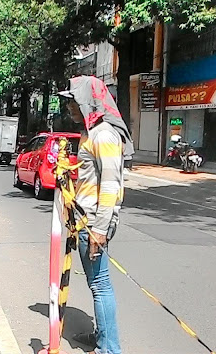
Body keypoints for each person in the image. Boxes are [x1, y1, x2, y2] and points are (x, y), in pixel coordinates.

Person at [58, 76, 134, 354]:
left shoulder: (104, 135)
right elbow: (91, 178)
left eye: (72, 102)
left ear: (87, 102)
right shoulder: (91, 133)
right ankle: (103, 338)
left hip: (93, 223)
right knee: (96, 283)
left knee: (100, 285)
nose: (69, 108)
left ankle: (109, 348)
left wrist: (100, 230)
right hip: (85, 219)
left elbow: (111, 186)